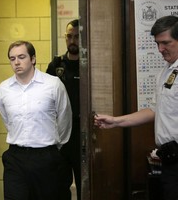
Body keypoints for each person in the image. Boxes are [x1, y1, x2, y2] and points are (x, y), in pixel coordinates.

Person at [94, 15, 178, 200]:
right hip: (170, 161)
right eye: (157, 43)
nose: (160, 49)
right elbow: (155, 110)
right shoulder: (166, 72)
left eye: (165, 43)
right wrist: (116, 121)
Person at [0, 40, 73, 200]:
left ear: (33, 59)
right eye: (12, 58)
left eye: (21, 57)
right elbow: (8, 121)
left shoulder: (53, 84)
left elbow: (65, 119)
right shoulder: (4, 89)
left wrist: (54, 146)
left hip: (46, 156)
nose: (16, 62)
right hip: (16, 157)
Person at [46, 19, 81, 200]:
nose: (72, 40)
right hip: (61, 133)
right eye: (69, 36)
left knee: (86, 184)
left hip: (83, 133)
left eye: (76, 36)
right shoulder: (56, 66)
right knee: (60, 185)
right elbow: (46, 98)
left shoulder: (89, 64)